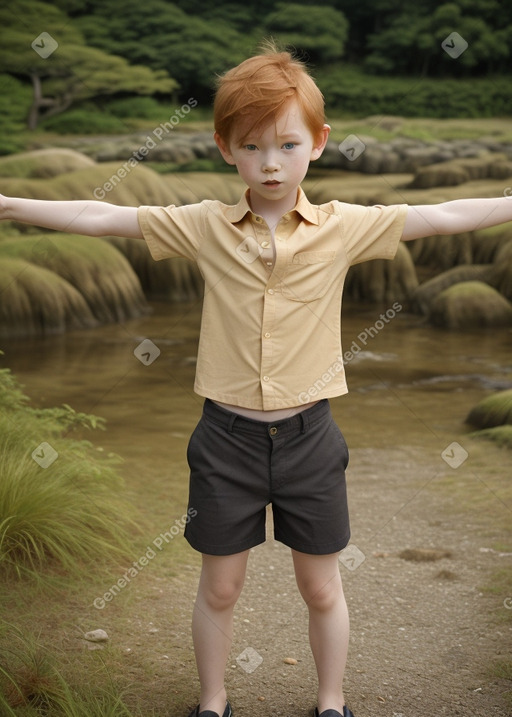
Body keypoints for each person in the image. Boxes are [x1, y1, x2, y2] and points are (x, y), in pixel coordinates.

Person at [2, 43, 512, 717]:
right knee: (219, 587)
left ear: (319, 144)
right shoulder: (205, 226)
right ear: (225, 149)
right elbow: (104, 217)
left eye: (288, 145)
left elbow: (441, 215)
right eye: (252, 147)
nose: (271, 164)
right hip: (225, 439)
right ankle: (212, 702)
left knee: (323, 586)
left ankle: (331, 702)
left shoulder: (344, 228)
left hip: (311, 437)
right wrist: (9, 204)